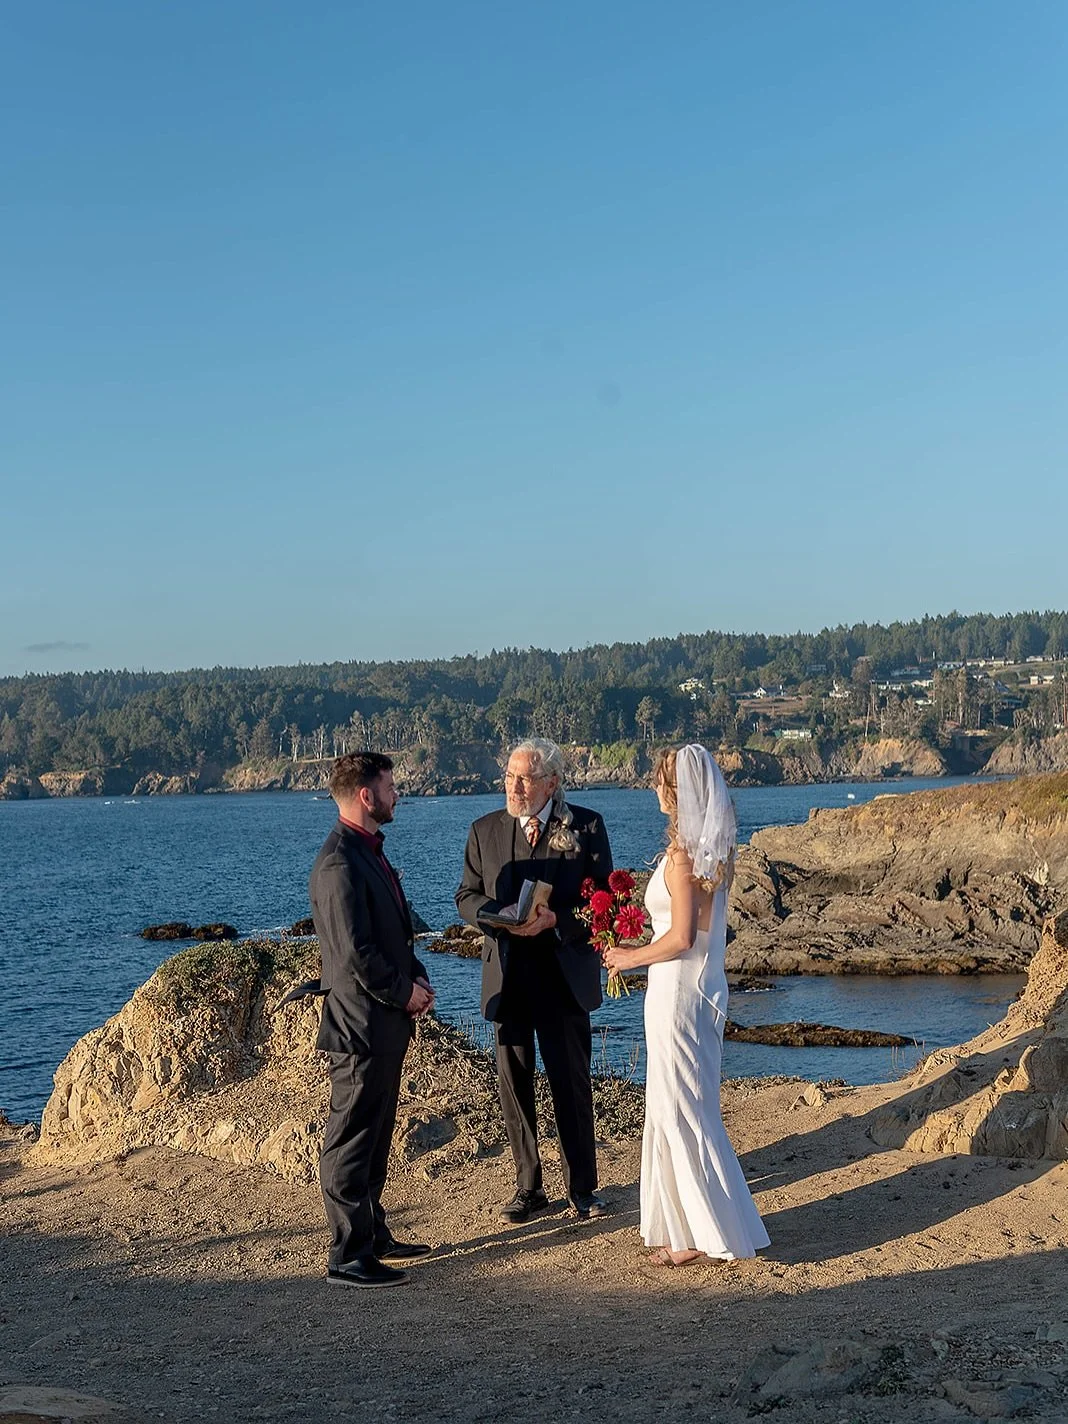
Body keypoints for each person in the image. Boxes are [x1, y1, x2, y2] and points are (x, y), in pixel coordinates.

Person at [604, 744, 769, 1266]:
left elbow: (679, 937)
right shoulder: (710, 855)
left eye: (658, 781)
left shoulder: (681, 858)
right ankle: (686, 1231)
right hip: (699, 986)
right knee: (680, 1105)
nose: (653, 789)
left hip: (676, 987)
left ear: (674, 792)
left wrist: (629, 957)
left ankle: (702, 1232)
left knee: (679, 1108)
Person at [456, 737, 613, 1223]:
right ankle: (529, 1187)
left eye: (524, 777)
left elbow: (604, 904)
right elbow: (465, 895)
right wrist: (495, 914)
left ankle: (582, 1188)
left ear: (553, 782)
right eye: (509, 775)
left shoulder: (586, 827)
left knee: (571, 1083)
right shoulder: (484, 831)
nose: (514, 785)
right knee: (514, 1085)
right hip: (509, 980)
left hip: (564, 978)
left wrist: (557, 921)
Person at [309, 751, 435, 1288]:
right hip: (361, 1025)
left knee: (377, 1131)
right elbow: (356, 952)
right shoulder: (340, 861)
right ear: (367, 795)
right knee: (351, 1138)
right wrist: (404, 991)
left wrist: (418, 975)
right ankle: (347, 1255)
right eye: (390, 786)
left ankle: (373, 1231)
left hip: (382, 1023)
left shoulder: (368, 851)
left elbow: (392, 932)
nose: (396, 794)